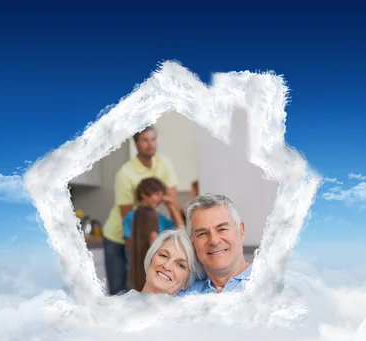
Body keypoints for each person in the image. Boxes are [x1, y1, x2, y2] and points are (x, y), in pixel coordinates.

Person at [102, 125, 183, 295]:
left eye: (153, 139)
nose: (150, 144)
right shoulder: (125, 173)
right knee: (120, 289)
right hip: (118, 236)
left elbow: (173, 203)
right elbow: (128, 218)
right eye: (145, 140)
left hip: (147, 234)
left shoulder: (164, 164)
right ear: (136, 144)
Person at [180, 193, 253, 295]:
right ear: (192, 242)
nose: (214, 241)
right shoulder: (182, 294)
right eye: (202, 233)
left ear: (241, 230)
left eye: (222, 229)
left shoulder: (271, 284)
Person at [133, 229, 206, 295]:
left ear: (187, 282)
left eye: (180, 265)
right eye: (164, 255)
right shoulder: (122, 303)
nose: (167, 266)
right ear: (151, 258)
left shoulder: (192, 309)